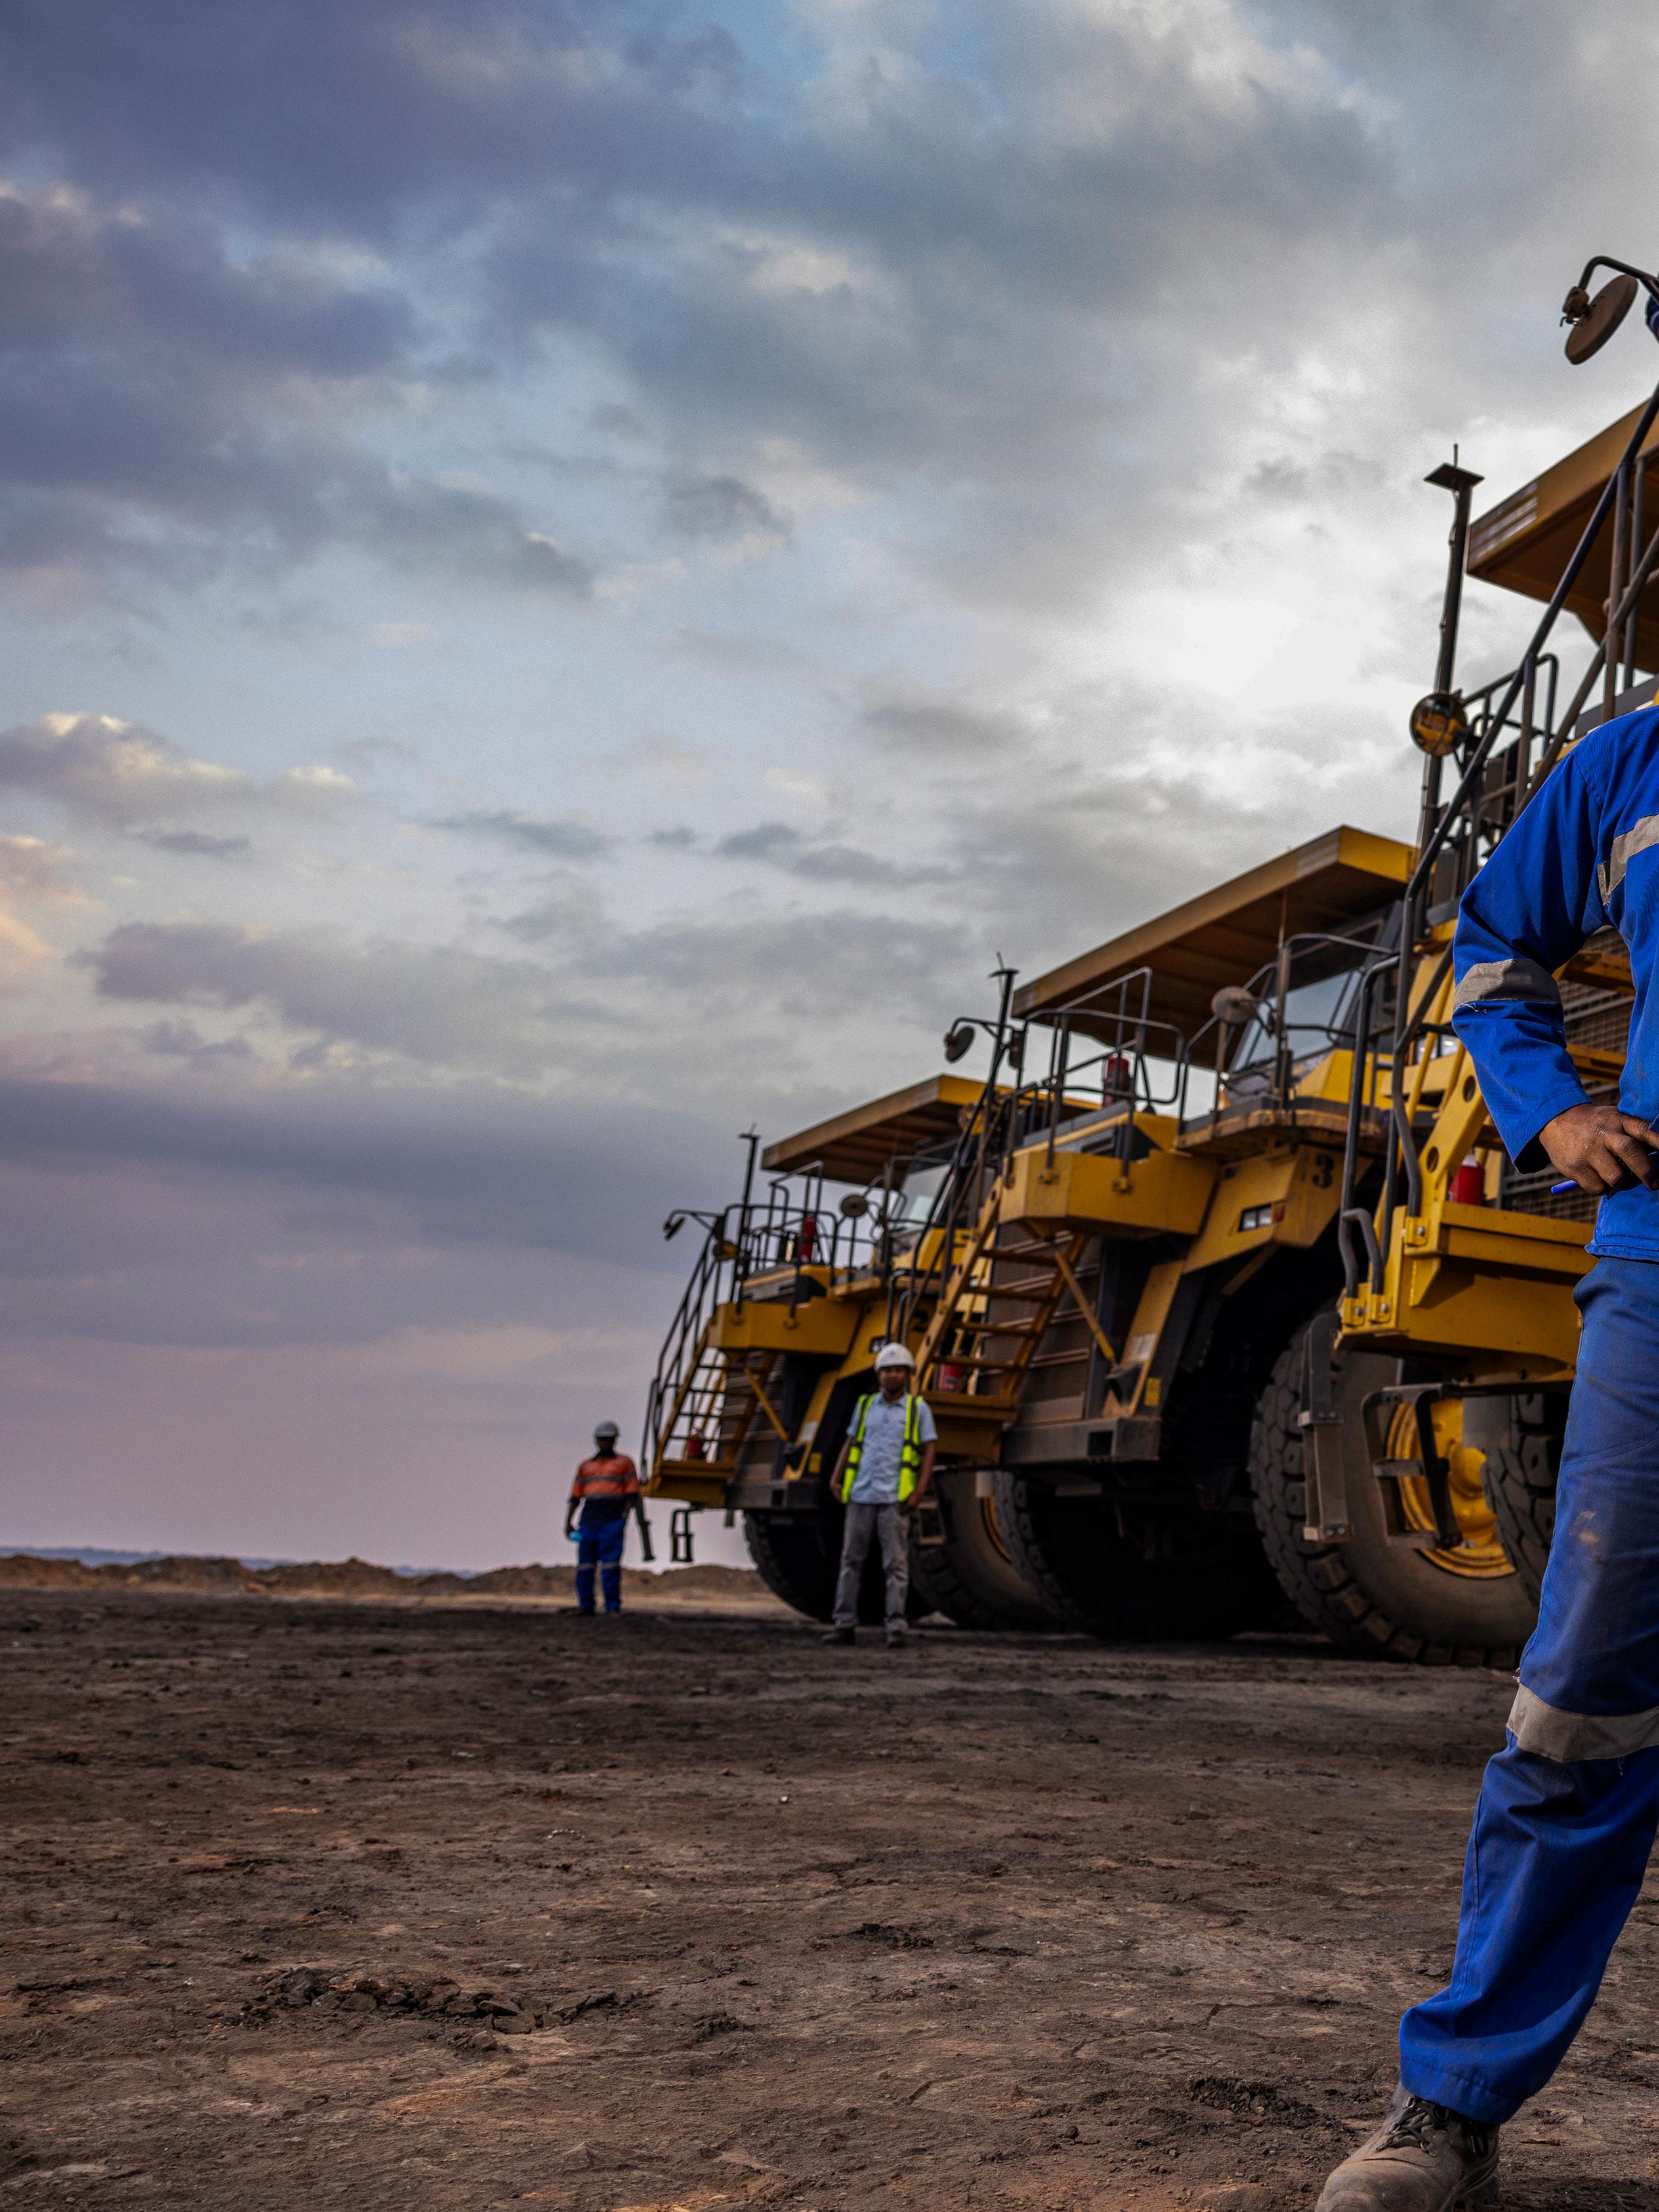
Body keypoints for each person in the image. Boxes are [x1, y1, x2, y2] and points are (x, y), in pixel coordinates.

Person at [1316, 704, 1659, 2212]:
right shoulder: (1631, 762)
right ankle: (1453, 2101)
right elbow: (1493, 944)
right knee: (1585, 1693)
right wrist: (1552, 1113)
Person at [822, 1343, 936, 1649]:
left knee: (895, 1565)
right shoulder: (865, 1406)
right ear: (878, 1374)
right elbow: (851, 1442)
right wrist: (836, 1477)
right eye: (887, 1370)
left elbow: (929, 1451)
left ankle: (896, 1628)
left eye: (899, 1370)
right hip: (861, 1494)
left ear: (907, 1374)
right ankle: (844, 1625)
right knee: (850, 1561)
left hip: (894, 1498)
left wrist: (919, 1491)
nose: (893, 1375)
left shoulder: (918, 1409)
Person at [564, 1421, 642, 1616]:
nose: (605, 1443)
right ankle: (586, 1606)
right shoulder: (585, 1467)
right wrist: (568, 1522)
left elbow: (632, 1494)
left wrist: (624, 1516)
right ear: (596, 1441)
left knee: (610, 1566)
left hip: (612, 1520)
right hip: (589, 1520)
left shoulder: (624, 1463)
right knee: (586, 1566)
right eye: (602, 1440)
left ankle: (612, 1607)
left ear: (614, 1440)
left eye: (608, 1440)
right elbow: (575, 1496)